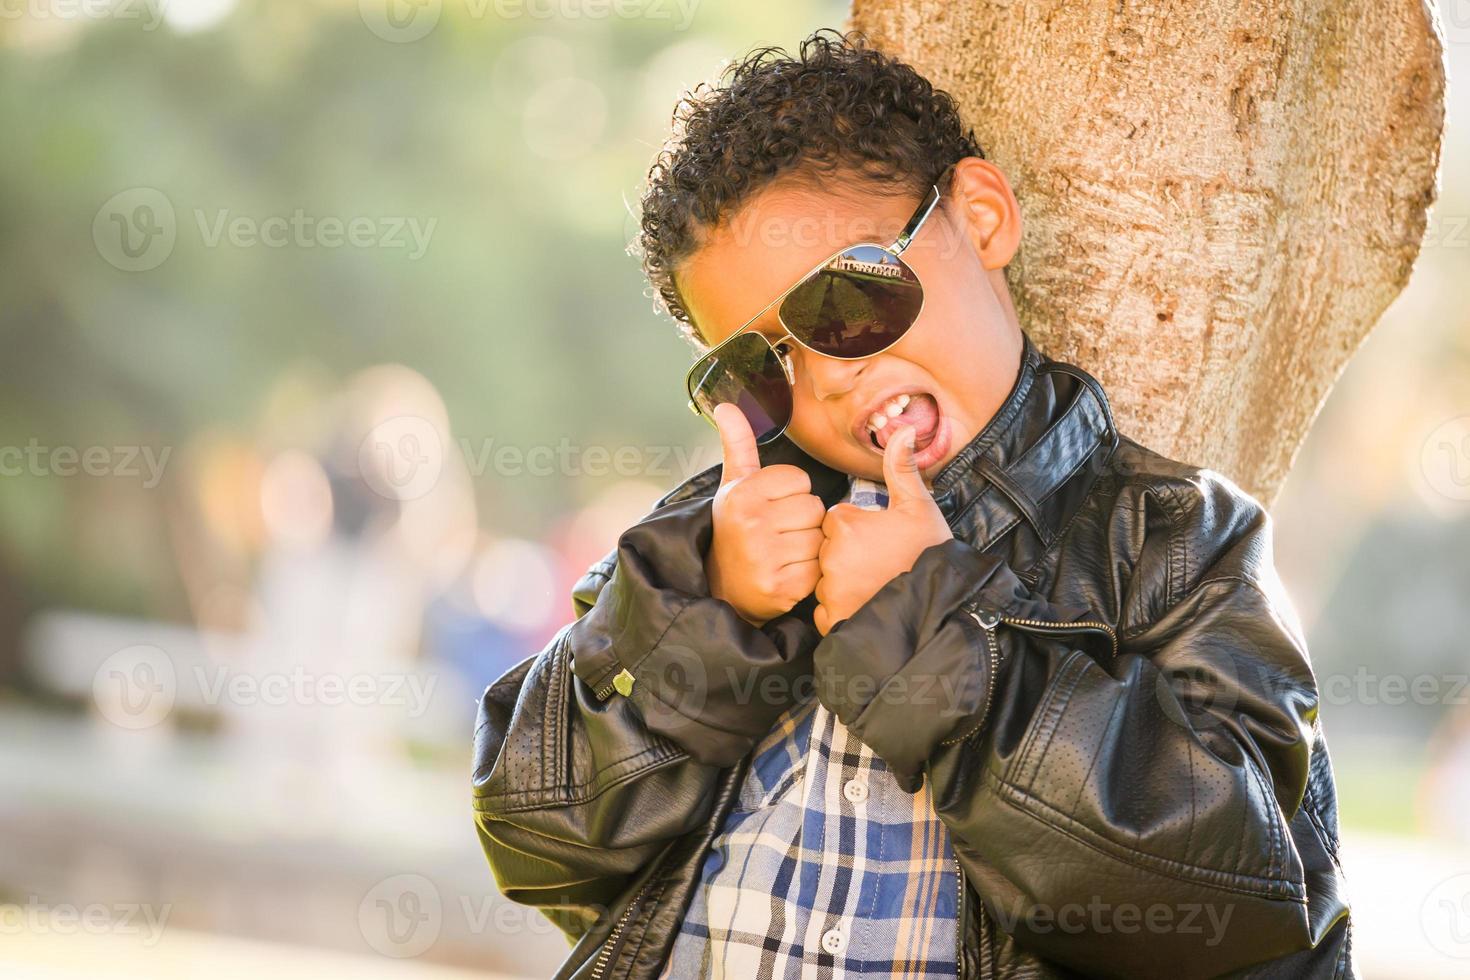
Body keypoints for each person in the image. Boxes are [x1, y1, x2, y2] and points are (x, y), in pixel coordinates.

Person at [472, 29, 1354, 979]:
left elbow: (1243, 906)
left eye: (848, 298)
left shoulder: (1171, 539)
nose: (831, 380)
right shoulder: (712, 542)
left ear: (980, 219)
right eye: (763, 369)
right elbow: (536, 833)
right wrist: (706, 619)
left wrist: (932, 639)